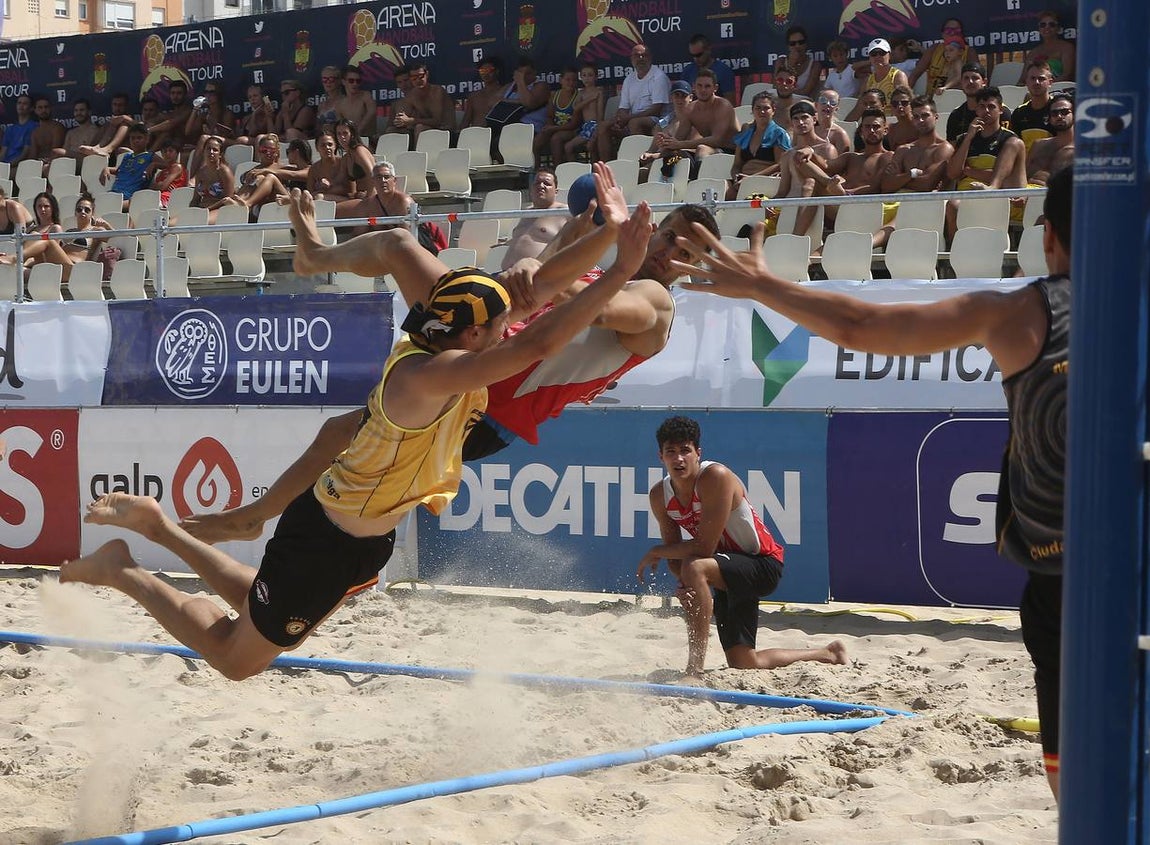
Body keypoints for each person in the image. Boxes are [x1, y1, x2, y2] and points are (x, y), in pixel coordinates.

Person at [62, 173, 655, 683]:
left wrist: (609, 230)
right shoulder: (428, 377)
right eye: (502, 324)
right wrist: (624, 265)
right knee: (238, 657)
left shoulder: (449, 337)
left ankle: (163, 530)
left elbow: (544, 288)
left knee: (258, 603)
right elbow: (547, 337)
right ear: (472, 335)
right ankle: (125, 571)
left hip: (363, 539)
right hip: (326, 540)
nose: (515, 325)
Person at [680, 164, 1074, 798]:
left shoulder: (1024, 313)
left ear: (1048, 237)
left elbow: (862, 329)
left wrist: (763, 285)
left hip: (1070, 577)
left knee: (1079, 787)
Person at [181, 165, 720, 538]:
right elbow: (552, 289)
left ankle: (258, 514)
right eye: (668, 234)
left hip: (493, 404)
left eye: (684, 248)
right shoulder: (613, 270)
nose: (669, 248)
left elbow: (593, 309)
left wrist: (580, 254)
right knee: (396, 243)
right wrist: (570, 244)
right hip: (489, 338)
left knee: (337, 435)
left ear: (695, 266)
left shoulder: (655, 302)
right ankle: (314, 256)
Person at [637, 415, 848, 677]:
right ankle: (829, 653)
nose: (679, 459)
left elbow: (701, 548)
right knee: (744, 661)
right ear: (661, 457)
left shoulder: (715, 476)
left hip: (762, 564)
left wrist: (657, 552)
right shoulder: (659, 495)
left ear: (698, 453)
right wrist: (684, 584)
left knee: (695, 566)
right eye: (671, 452)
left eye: (685, 451)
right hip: (724, 568)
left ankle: (694, 669)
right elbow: (675, 553)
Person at [794, 108, 894, 246]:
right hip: (839, 204)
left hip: (863, 207)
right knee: (802, 164)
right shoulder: (851, 157)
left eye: (876, 127)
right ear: (861, 131)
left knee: (816, 184)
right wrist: (809, 150)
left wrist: (847, 193)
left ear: (885, 130)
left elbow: (877, 186)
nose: (871, 130)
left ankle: (795, 239)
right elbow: (826, 166)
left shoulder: (888, 156)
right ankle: (795, 239)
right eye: (867, 127)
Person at [593, 44, 671, 161]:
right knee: (603, 126)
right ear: (631, 59)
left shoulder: (659, 77)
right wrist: (619, 120)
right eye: (637, 56)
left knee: (634, 123)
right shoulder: (629, 79)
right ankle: (607, 166)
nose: (640, 59)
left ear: (650, 58)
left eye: (644, 55)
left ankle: (639, 163)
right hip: (631, 118)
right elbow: (623, 107)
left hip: (659, 120)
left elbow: (657, 109)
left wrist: (628, 118)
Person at [657, 69, 738, 162]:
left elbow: (717, 140)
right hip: (711, 151)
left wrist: (680, 144)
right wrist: (666, 145)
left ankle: (698, 176)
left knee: (702, 149)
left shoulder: (723, 106)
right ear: (694, 86)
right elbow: (678, 139)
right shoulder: (691, 109)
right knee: (676, 155)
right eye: (699, 86)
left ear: (715, 88)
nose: (703, 90)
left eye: (707, 86)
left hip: (733, 152)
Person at [880, 95, 955, 195]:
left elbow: (927, 184)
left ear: (936, 117)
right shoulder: (903, 150)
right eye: (916, 117)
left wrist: (899, 180)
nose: (920, 121)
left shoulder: (944, 148)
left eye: (925, 116)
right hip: (898, 203)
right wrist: (911, 174)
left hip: (928, 204)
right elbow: (886, 186)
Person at [725, 92, 791, 199]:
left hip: (766, 182)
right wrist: (736, 177)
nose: (762, 111)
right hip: (743, 182)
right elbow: (737, 165)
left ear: (773, 110)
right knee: (723, 189)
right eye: (758, 108)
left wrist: (751, 179)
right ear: (752, 110)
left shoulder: (779, 134)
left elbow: (780, 164)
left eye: (766, 108)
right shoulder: (745, 134)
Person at [501, 168, 566, 267]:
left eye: (547, 183)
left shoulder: (565, 211)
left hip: (539, 275)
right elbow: (528, 236)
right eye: (537, 183)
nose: (541, 186)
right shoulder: (525, 212)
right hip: (506, 274)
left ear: (556, 191)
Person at [386, 62, 456, 143]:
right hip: (426, 130)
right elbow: (401, 118)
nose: (418, 80)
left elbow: (438, 121)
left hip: (447, 132)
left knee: (420, 127)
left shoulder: (436, 91)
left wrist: (411, 120)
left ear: (427, 75)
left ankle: (418, 155)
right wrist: (400, 120)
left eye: (421, 76)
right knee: (391, 131)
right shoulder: (412, 95)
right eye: (414, 78)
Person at [945, 63, 1012, 144]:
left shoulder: (1001, 112)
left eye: (975, 78)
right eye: (966, 78)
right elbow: (952, 149)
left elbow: (1008, 143)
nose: (970, 82)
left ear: (984, 82)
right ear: (961, 83)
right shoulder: (956, 115)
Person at [908, 17, 975, 93]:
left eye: (957, 30)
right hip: (932, 98)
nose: (952, 33)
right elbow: (915, 74)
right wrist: (906, 95)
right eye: (948, 30)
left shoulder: (969, 51)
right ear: (942, 34)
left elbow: (975, 77)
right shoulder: (934, 49)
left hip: (956, 98)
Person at [533, 67, 581, 169]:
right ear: (561, 80)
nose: (571, 83)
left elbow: (574, 124)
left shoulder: (578, 97)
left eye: (574, 80)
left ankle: (557, 170)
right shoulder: (554, 95)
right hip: (556, 127)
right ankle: (535, 171)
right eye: (568, 80)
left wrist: (553, 128)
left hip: (573, 130)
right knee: (537, 140)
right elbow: (550, 116)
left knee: (556, 138)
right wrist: (549, 127)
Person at [560, 62, 605, 164]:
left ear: (596, 77)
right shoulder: (581, 93)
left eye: (590, 75)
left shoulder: (598, 92)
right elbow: (575, 107)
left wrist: (595, 134)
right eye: (584, 75)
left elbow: (600, 115)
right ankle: (576, 172)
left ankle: (595, 172)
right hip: (585, 127)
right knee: (568, 147)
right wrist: (589, 99)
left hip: (595, 125)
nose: (587, 78)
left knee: (592, 147)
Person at [105, 124, 155, 206]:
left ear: (147, 139)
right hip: (115, 192)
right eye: (133, 138)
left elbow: (167, 164)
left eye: (139, 138)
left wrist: (154, 164)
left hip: (130, 196)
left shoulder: (150, 156)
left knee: (110, 206)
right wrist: (107, 169)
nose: (136, 141)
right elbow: (120, 170)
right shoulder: (127, 156)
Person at [1011, 61, 1055, 151]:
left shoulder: (1058, 110)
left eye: (1041, 78)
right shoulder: (1019, 113)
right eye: (1032, 78)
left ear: (1050, 82)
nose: (1037, 82)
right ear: (1026, 82)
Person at [1020, 10, 1076, 83]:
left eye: (1052, 24)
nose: (1047, 27)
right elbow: (1023, 78)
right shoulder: (1033, 52)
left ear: (1058, 28)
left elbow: (1067, 74)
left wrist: (1046, 86)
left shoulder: (1067, 48)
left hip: (1060, 90)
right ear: (1039, 29)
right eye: (1043, 25)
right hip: (1036, 90)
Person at [680, 33, 737, 104]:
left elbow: (731, 103)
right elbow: (681, 101)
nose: (696, 59)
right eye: (693, 55)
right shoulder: (687, 71)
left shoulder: (723, 71)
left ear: (708, 50)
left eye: (699, 55)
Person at [189, 135, 235, 221]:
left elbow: (228, 200)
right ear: (204, 151)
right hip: (202, 209)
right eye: (208, 149)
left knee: (201, 222)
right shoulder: (200, 173)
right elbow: (195, 199)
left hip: (220, 210)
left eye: (215, 150)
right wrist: (191, 212)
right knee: (170, 225)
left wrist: (207, 209)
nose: (211, 152)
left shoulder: (224, 172)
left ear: (221, 154)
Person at [858, 39, 908, 115]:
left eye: (882, 53)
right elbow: (859, 107)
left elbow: (904, 105)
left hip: (893, 120)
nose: (878, 56)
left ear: (889, 55)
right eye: (874, 54)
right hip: (874, 122)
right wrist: (845, 124)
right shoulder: (867, 81)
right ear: (870, 58)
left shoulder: (898, 76)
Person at [461, 57, 506, 130]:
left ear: (497, 71)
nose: (486, 74)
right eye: (482, 71)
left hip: (497, 134)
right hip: (476, 135)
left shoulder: (505, 92)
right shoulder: (474, 96)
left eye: (489, 70)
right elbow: (466, 121)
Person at [335, 65, 377, 139]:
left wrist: (356, 132)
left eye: (358, 81)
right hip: (349, 140)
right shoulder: (339, 104)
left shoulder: (366, 96)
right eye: (351, 81)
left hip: (369, 139)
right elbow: (340, 126)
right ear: (343, 82)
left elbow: (372, 112)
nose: (355, 84)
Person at [782, 26, 823, 99]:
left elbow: (805, 92)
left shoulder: (815, 65)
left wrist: (786, 91)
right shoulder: (781, 62)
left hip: (804, 104)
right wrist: (791, 64)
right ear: (788, 46)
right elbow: (776, 87)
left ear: (806, 44)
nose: (797, 46)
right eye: (793, 43)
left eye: (801, 42)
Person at [26, 97, 66, 164]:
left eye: (46, 107)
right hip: (38, 165)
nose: (43, 110)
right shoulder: (35, 132)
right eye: (40, 107)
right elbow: (33, 155)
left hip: (55, 163)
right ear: (35, 110)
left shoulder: (57, 127)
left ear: (51, 109)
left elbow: (56, 151)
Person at [812, 89, 851, 156]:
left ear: (836, 109)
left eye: (833, 102)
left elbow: (842, 162)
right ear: (816, 105)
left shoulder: (840, 134)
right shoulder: (807, 128)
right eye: (823, 101)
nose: (828, 104)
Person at [1, 94, 37, 164]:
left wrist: (11, 165)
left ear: (31, 108)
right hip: (5, 166)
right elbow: (3, 152)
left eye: (25, 103)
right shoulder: (10, 129)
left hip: (21, 165)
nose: (21, 105)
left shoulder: (34, 127)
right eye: (19, 103)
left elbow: (26, 152)